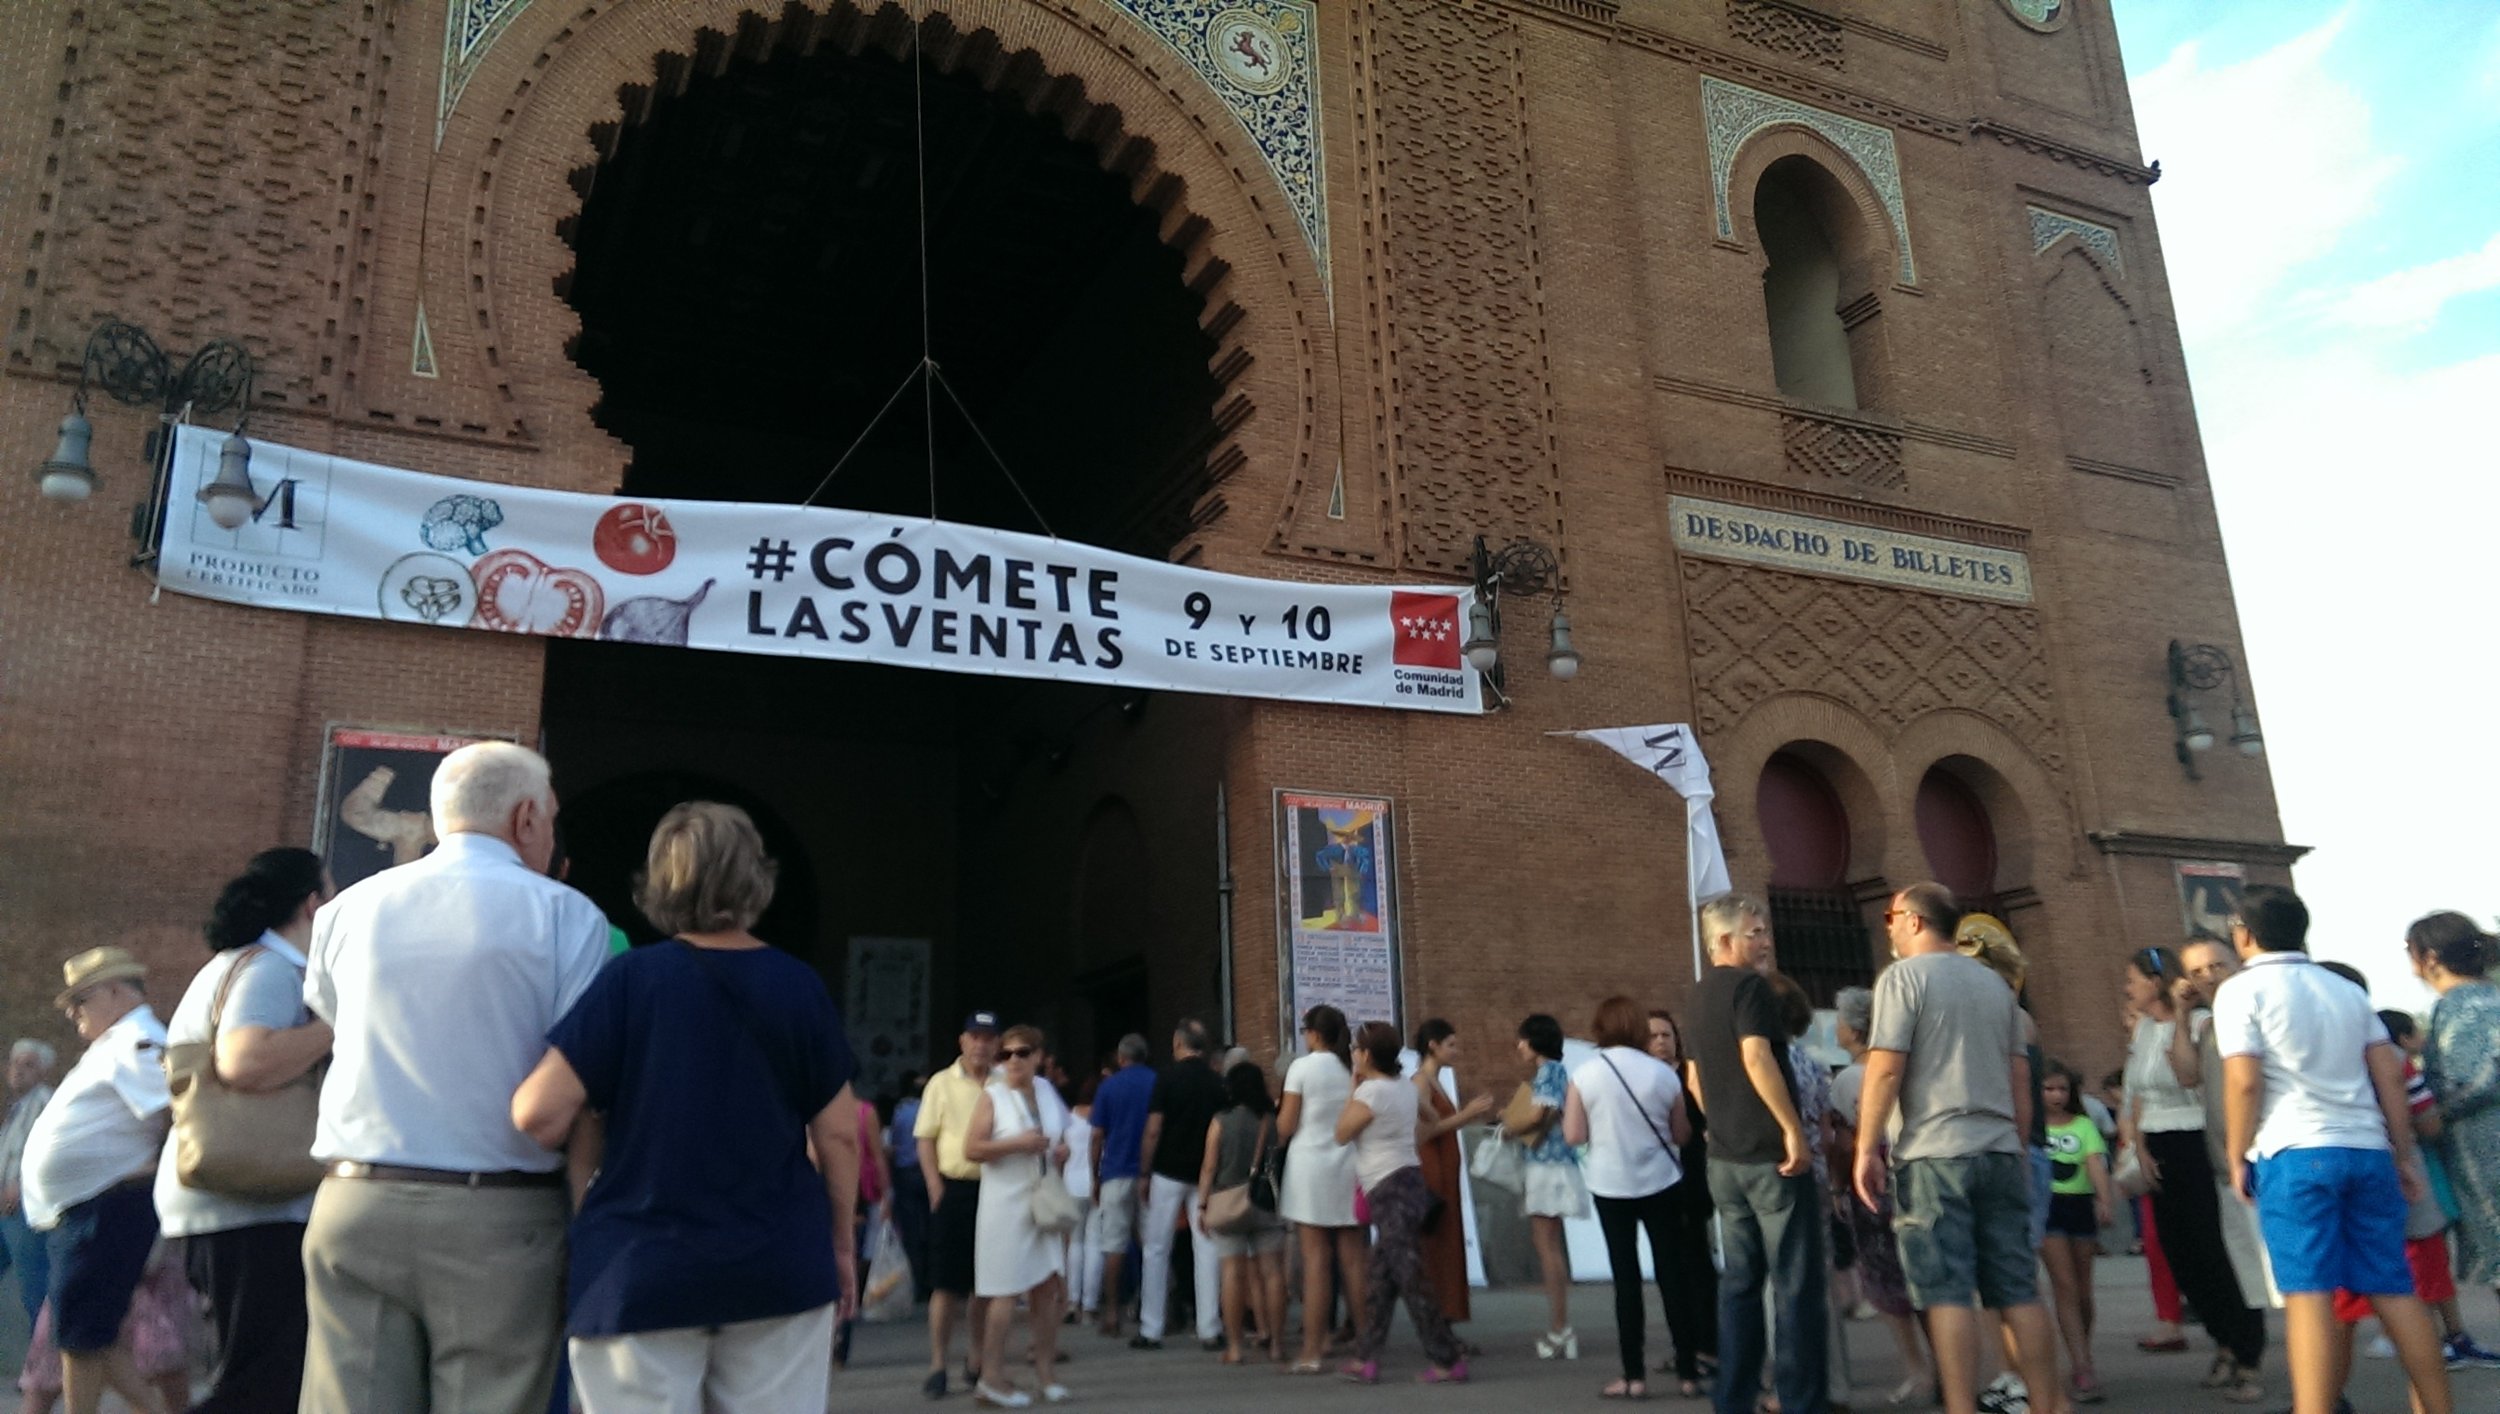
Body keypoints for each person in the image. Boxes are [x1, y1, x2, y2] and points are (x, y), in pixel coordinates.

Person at [510, 801, 858, 1412]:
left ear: (660, 882)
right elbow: (838, 1137)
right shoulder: (799, 986)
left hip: (639, 1266)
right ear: (755, 877)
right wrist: (840, 1246)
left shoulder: (629, 981)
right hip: (778, 1262)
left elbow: (538, 1114)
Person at [297, 741, 607, 1414]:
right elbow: (580, 1079)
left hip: (355, 1200)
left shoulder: (348, 909)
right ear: (526, 818)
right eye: (551, 818)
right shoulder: (565, 916)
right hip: (499, 1212)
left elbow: (334, 1017)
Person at [2213, 885, 2452, 1414]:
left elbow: (2244, 1082)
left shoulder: (2241, 991)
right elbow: (2388, 1073)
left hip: (2294, 1150)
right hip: (2366, 1149)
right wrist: (2401, 1152)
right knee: (2393, 1287)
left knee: (2309, 1293)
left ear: (2244, 934)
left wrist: (2235, 1154)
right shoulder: (2344, 990)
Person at [1851, 883, 2067, 1414]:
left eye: (1890, 917)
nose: (1889, 928)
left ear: (1916, 920)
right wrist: (2014, 1147)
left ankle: (1959, 1406)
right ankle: (2048, 1403)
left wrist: (1866, 1147)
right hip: (1996, 1150)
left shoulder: (1903, 978)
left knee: (1946, 1292)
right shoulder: (1997, 987)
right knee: (2017, 1288)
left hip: (1933, 1154)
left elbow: (1885, 1068)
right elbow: (2021, 1079)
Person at [155, 847, 334, 1414]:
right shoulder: (269, 969)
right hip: (252, 1207)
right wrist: (338, 1020)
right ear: (313, 904)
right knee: (263, 1384)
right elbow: (245, 1060)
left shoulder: (248, 962)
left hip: (239, 1204)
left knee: (260, 1376)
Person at [1685, 893, 1826, 1414]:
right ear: (1724, 941)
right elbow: (1756, 1055)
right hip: (1771, 1158)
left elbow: (1694, 1076)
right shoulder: (1750, 988)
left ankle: (1734, 1398)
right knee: (1795, 1286)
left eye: (1764, 931)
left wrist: (1717, 1125)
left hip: (1724, 1159)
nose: (1765, 941)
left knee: (1740, 1285)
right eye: (1754, 933)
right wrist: (1791, 1128)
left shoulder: (1697, 995)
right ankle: (1800, 1400)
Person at [19, 947, 172, 1414]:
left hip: (107, 1206)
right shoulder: (116, 1043)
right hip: (90, 1208)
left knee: (82, 1337)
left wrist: (154, 1168)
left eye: (79, 1000)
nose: (71, 1013)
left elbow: (178, 1114)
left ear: (114, 990)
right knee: (85, 1337)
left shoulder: (137, 1041)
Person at [2122, 944, 2267, 1401]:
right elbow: (2135, 1092)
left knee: (2216, 1253)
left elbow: (2187, 1076)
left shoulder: (2205, 1024)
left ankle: (2246, 1354)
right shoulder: (2142, 1029)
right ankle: (2221, 1340)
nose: (2128, 989)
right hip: (2158, 1143)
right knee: (2180, 1254)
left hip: (2196, 1141)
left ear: (2157, 982)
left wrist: (2182, 1018)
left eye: (2134, 980)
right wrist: (2138, 1145)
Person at [1564, 995, 1693, 1401]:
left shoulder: (1584, 1075)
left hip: (1610, 1185)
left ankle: (1633, 1376)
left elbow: (1573, 1135)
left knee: (1626, 1280)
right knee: (1673, 1275)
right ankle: (1688, 1372)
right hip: (1661, 1181)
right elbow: (1681, 1134)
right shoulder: (1663, 1074)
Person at [1334, 1020, 1466, 1384]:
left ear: (1365, 1055)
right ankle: (1366, 1357)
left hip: (1387, 1186)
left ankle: (1447, 1359)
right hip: (1408, 1180)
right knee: (1380, 1278)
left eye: (1356, 1052)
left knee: (1411, 1277)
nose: (1353, 1057)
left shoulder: (1371, 1093)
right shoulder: (1405, 1089)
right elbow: (1432, 1117)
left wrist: (1352, 1088)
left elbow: (1342, 1132)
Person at [2367, 1005, 2500, 1364]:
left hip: (2355, 1164)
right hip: (2409, 1167)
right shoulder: (2395, 1060)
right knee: (2428, 1254)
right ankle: (2444, 1339)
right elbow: (2427, 1122)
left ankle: (2396, 1335)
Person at [2168, 936, 2283, 1335]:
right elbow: (2185, 1074)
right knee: (2254, 1274)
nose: (2209, 977)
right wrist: (2181, 1015)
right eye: (2196, 972)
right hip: (2226, 1163)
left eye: (2216, 965)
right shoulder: (2210, 1024)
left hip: (2266, 1155)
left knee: (2293, 1273)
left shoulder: (2258, 1009)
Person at [1830, 986, 1929, 1409]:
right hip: (1915, 1172)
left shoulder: (1849, 1078)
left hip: (1870, 1180)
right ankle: (1946, 1365)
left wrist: (1838, 1187)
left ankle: (1917, 1369)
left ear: (1853, 1029)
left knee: (1887, 1282)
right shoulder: (1908, 1065)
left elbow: (1842, 1141)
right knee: (1926, 1276)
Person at [963, 1023, 1071, 1409]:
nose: (1012, 1061)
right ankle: (990, 1377)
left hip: (1040, 1200)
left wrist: (1060, 1153)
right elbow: (971, 1148)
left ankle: (1045, 1373)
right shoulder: (992, 1096)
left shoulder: (1046, 1091)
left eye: (1022, 1053)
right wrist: (1017, 1144)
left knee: (1047, 1289)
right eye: (1005, 1054)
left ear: (1039, 1057)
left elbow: (1063, 1137)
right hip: (1004, 1206)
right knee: (1003, 1291)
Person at [2411, 912, 2500, 1331]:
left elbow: (2482, 1076)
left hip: (2484, 1152)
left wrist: (2434, 1113)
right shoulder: (2489, 998)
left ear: (2429, 958)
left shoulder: (2464, 1005)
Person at [917, 1011, 1004, 1399]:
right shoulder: (941, 1083)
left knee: (985, 1283)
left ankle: (976, 1358)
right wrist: (935, 1185)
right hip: (954, 1187)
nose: (981, 1044)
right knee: (946, 1283)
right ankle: (938, 1363)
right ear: (962, 1042)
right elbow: (925, 1138)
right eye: (975, 1037)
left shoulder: (1006, 1084)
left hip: (997, 1189)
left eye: (988, 1037)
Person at [1277, 1005, 1365, 1373]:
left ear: (1313, 1033)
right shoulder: (1352, 1069)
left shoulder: (1302, 1068)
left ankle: (1313, 1349)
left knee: (1316, 1262)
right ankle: (1367, 1343)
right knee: (1355, 1260)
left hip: (1309, 1167)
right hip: (1349, 1163)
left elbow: (1285, 1125)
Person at [1138, 1020, 1227, 1351]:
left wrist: (1145, 1171)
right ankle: (1209, 1328)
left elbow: (1153, 1129)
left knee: (1157, 1248)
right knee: (1206, 1248)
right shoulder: (1217, 1082)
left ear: (1178, 1043)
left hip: (1167, 1172)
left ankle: (1151, 1328)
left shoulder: (1166, 1078)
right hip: (1206, 1173)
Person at [1196, 1061, 1287, 1365]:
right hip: (1265, 1203)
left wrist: (1202, 1203)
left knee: (1232, 1274)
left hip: (1227, 1202)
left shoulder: (1220, 1120)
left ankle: (1235, 1347)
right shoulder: (1271, 1120)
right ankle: (1276, 1345)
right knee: (1272, 1273)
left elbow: (1209, 1165)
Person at [1646, 1009, 1718, 1391]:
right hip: (1657, 1182)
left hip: (1691, 1180)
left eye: (1666, 1035)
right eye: (1654, 1036)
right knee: (1671, 1268)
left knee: (1696, 1263)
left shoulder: (1687, 1075)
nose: (1661, 1041)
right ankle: (1686, 1345)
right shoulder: (1643, 1078)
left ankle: (1709, 1346)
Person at [1410, 1020, 1493, 1330]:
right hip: (1433, 1168)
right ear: (1433, 1045)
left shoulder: (1436, 1080)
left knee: (1448, 1242)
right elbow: (1421, 1133)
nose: (1456, 1052)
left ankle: (1446, 1320)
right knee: (1437, 1244)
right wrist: (1465, 1116)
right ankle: (1437, 1323)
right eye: (1451, 1045)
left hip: (1446, 1167)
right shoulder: (1420, 1081)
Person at [1514, 1013, 1587, 1363]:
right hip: (1560, 1164)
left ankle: (1560, 1327)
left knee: (1546, 1247)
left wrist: (1508, 1126)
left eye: (1524, 1039)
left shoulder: (1548, 1072)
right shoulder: (1560, 1071)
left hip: (1547, 1166)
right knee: (1550, 1245)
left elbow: (1538, 1115)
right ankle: (1561, 1327)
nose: (1519, 1046)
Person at [2039, 1060, 2112, 1403]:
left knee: (2083, 1290)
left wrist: (2105, 1199)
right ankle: (2082, 1364)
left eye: (2062, 1089)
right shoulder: (2033, 1126)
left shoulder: (2083, 1125)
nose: (2056, 1096)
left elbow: (2095, 1162)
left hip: (2080, 1205)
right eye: (2048, 1088)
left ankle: (2082, 1353)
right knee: (2064, 1285)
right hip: (2048, 1206)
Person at [1087, 1035, 1153, 1339]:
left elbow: (1097, 1135)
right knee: (1153, 1245)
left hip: (1115, 1172)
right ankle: (1156, 1308)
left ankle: (1112, 1311)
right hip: (1150, 1175)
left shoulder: (1108, 1087)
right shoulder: (1156, 1082)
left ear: (1121, 1058)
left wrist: (1095, 1176)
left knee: (1113, 1245)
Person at [0, 1039, 59, 1331]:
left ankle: (51, 1368)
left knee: (34, 1287)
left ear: (43, 1073)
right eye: (15, 1062)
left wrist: (20, 1186)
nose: (18, 1070)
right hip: (6, 1211)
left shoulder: (45, 1101)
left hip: (26, 1210)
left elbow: (50, 1151)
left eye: (29, 1065)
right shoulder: (17, 1109)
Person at [836, 1090, 893, 1370]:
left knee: (850, 1265)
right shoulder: (813, 1109)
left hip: (859, 1196)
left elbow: (878, 1155)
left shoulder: (864, 1112)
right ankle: (837, 1339)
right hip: (830, 1197)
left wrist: (885, 1198)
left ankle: (840, 1343)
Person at [1062, 1076, 1102, 1330]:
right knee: (1094, 1244)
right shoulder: (1101, 1119)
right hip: (1095, 1183)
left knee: (1074, 1245)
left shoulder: (1068, 1118)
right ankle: (1090, 1304)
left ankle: (1072, 1300)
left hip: (1070, 1183)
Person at [892, 1071, 934, 1304]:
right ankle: (930, 1282)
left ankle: (916, 1285)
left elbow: (895, 1143)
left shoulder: (901, 1111)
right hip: (928, 1172)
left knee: (910, 1231)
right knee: (930, 1228)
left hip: (906, 1173)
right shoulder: (930, 1110)